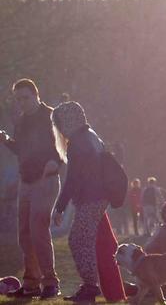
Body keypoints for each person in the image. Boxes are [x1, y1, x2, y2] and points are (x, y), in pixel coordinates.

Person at [0, 79, 63, 299]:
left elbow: (65, 145)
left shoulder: (51, 116)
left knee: (38, 230)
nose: (22, 103)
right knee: (24, 235)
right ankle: (31, 284)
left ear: (36, 95)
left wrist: (56, 161)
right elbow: (22, 150)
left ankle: (51, 282)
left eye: (26, 98)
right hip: (25, 182)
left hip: (46, 180)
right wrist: (6, 140)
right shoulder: (21, 121)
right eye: (18, 99)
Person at [50, 101, 108, 302]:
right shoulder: (91, 136)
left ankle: (91, 286)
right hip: (98, 197)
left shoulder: (78, 142)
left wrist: (59, 207)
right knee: (84, 240)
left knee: (78, 241)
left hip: (91, 198)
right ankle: (91, 284)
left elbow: (73, 179)